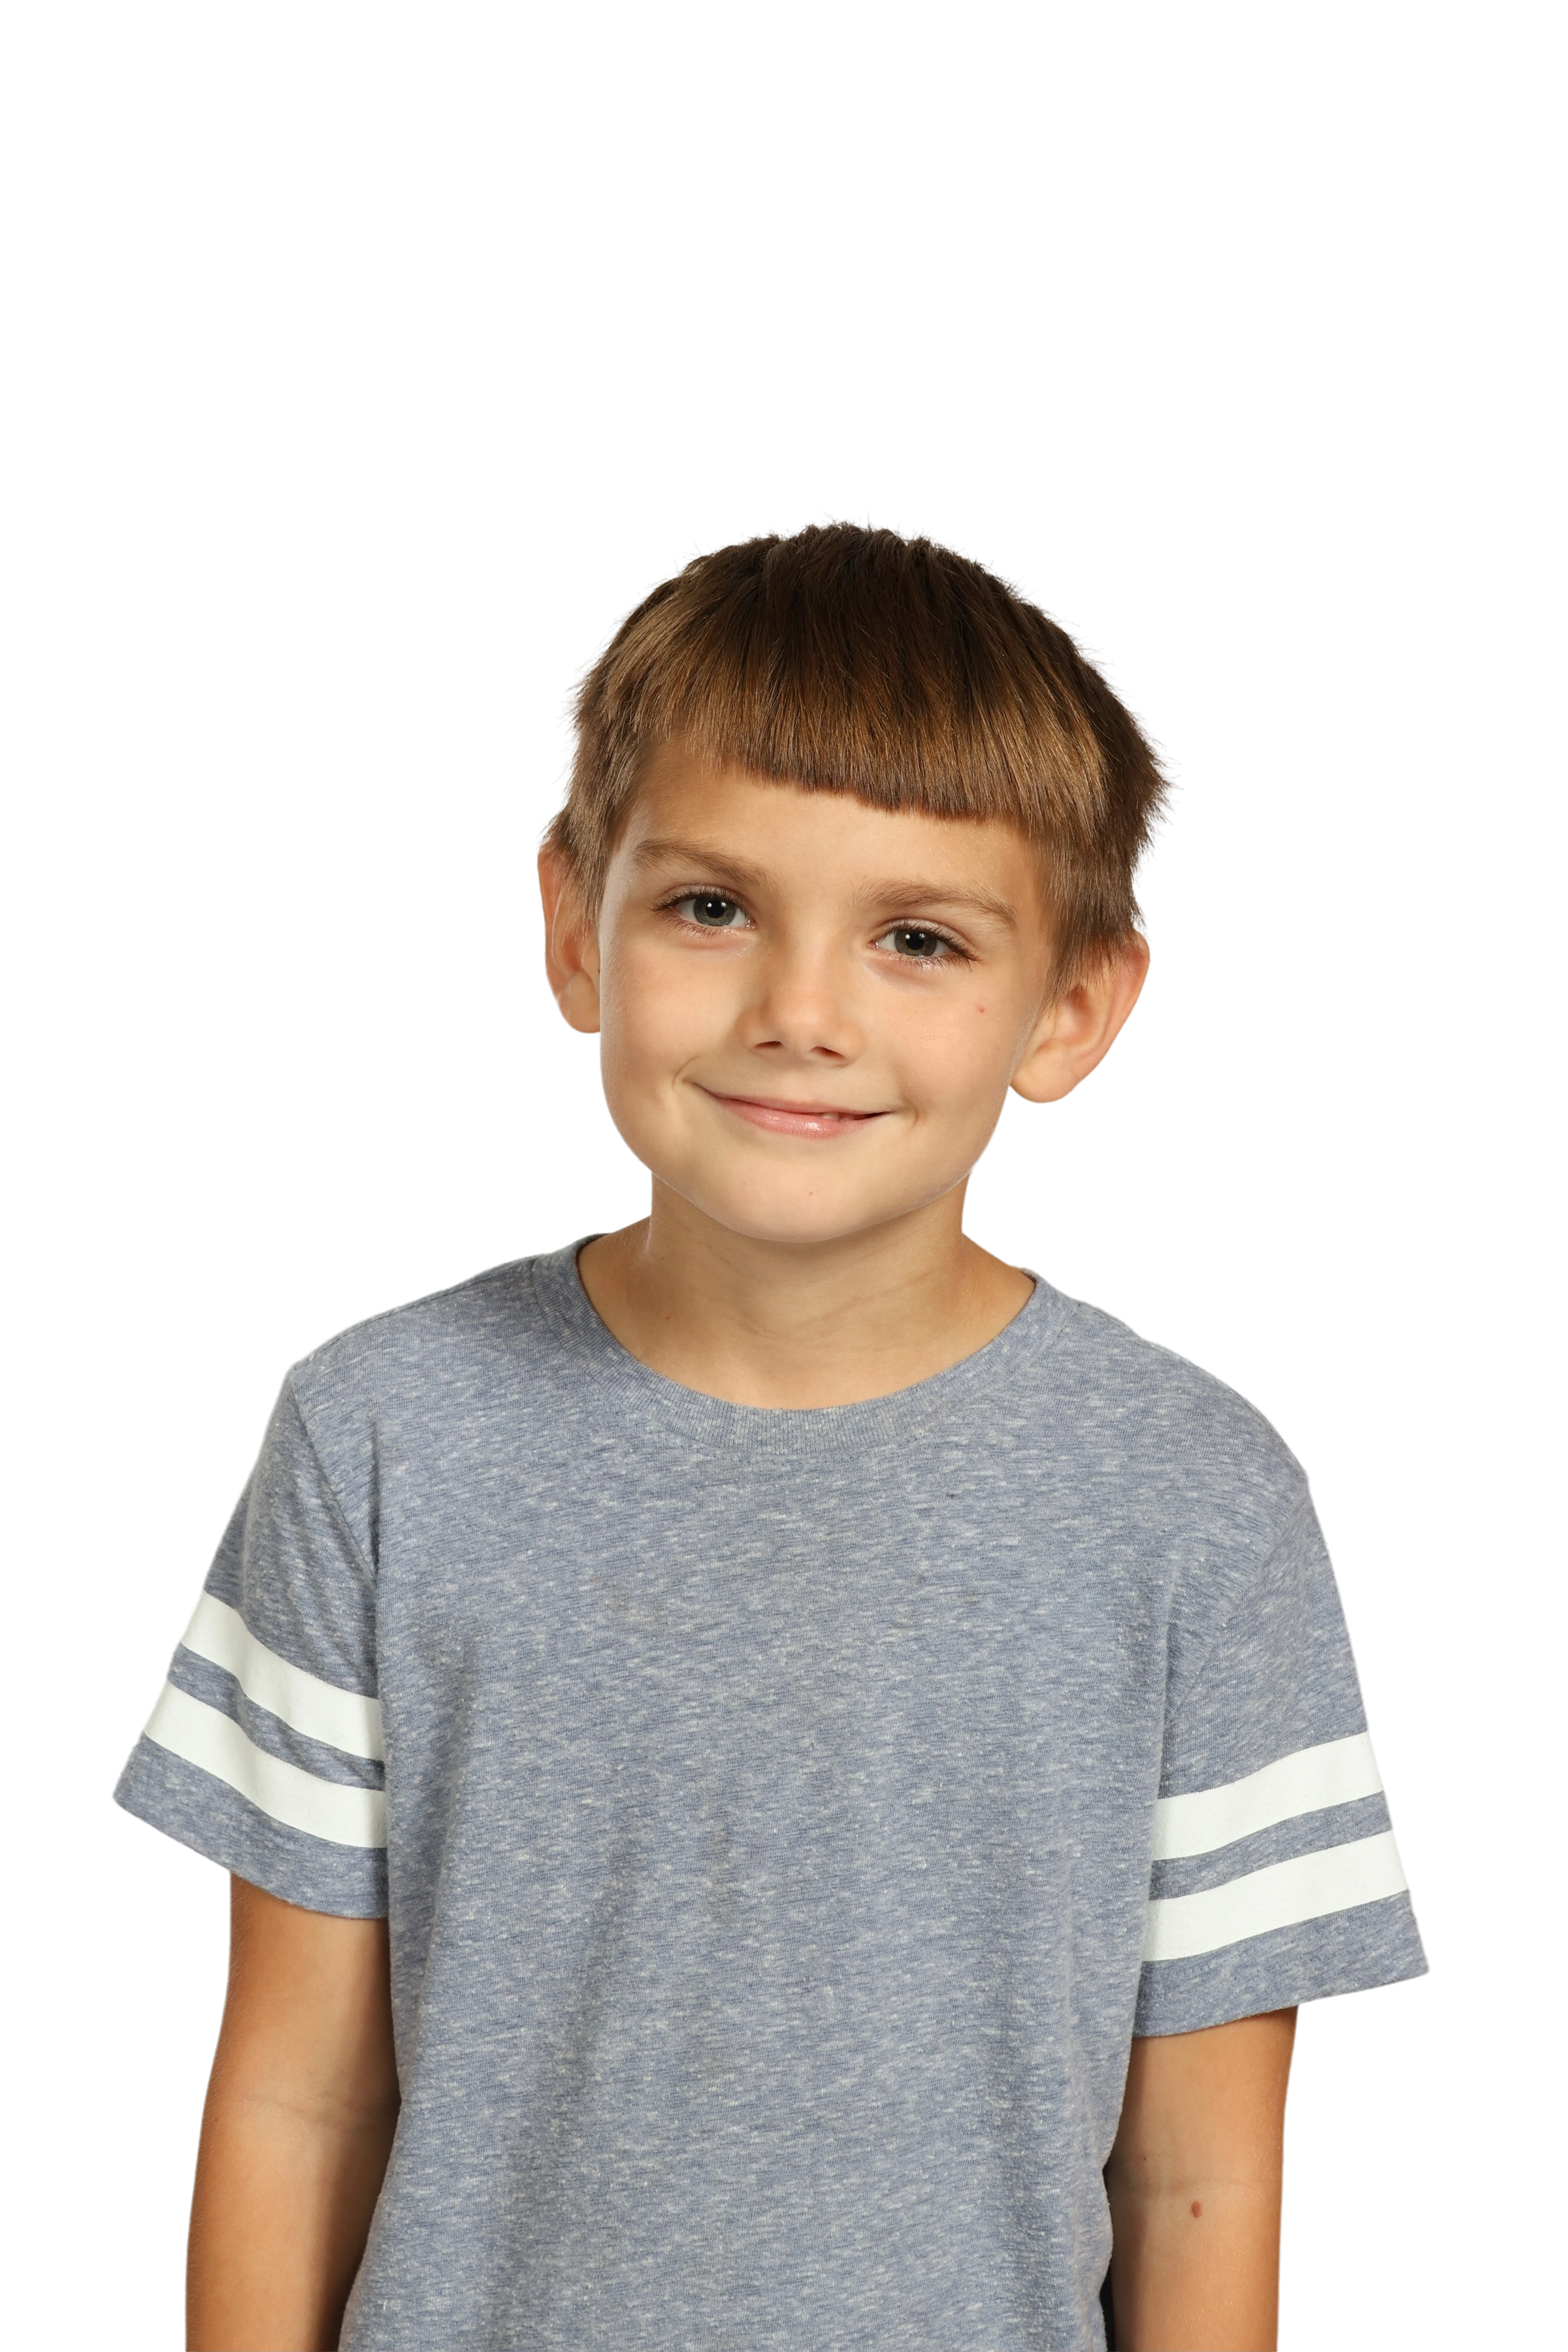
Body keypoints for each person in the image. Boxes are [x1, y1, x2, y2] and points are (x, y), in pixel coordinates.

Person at [112, 512, 1429, 2351]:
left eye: (917, 939)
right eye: (712, 909)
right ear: (573, 923)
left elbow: (1200, 2182)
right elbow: (295, 2102)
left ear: (1071, 1009)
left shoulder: (1195, 1502)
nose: (802, 1015)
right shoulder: (383, 1434)